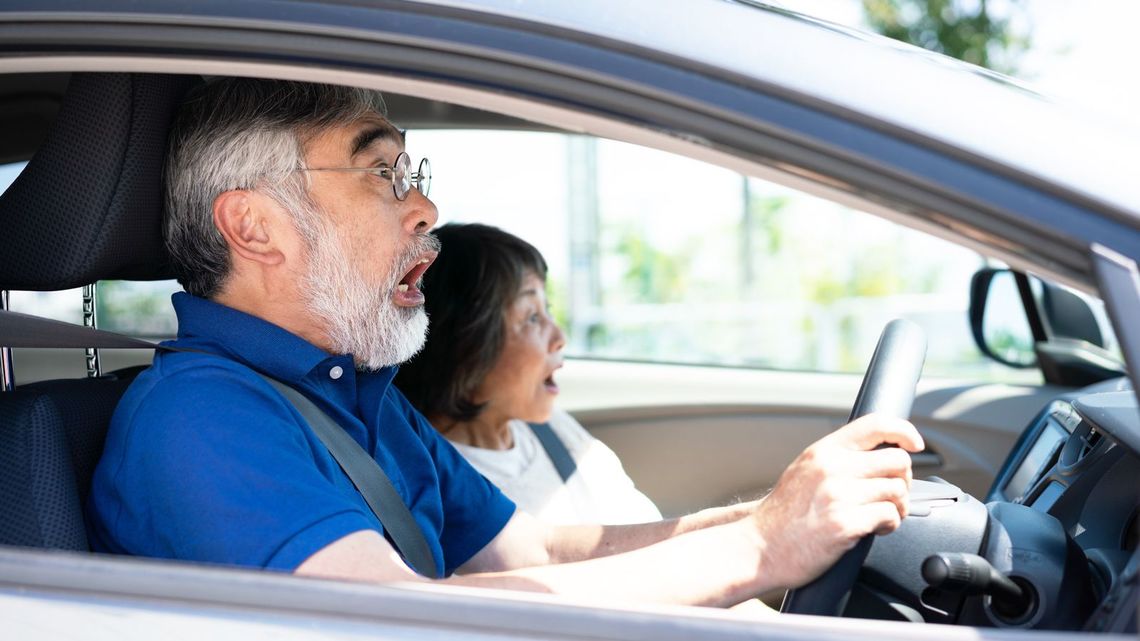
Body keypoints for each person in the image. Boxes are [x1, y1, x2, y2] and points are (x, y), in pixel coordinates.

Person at [87, 77, 923, 609]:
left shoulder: (350, 392)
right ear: (256, 228)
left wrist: (774, 511)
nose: (422, 210)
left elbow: (538, 550)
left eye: (414, 176)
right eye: (383, 174)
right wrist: (763, 546)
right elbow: (398, 621)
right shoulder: (197, 418)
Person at [395, 223, 661, 525]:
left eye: (547, 310)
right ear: (465, 345)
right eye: (532, 317)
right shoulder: (440, 491)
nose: (559, 336)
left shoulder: (552, 429)